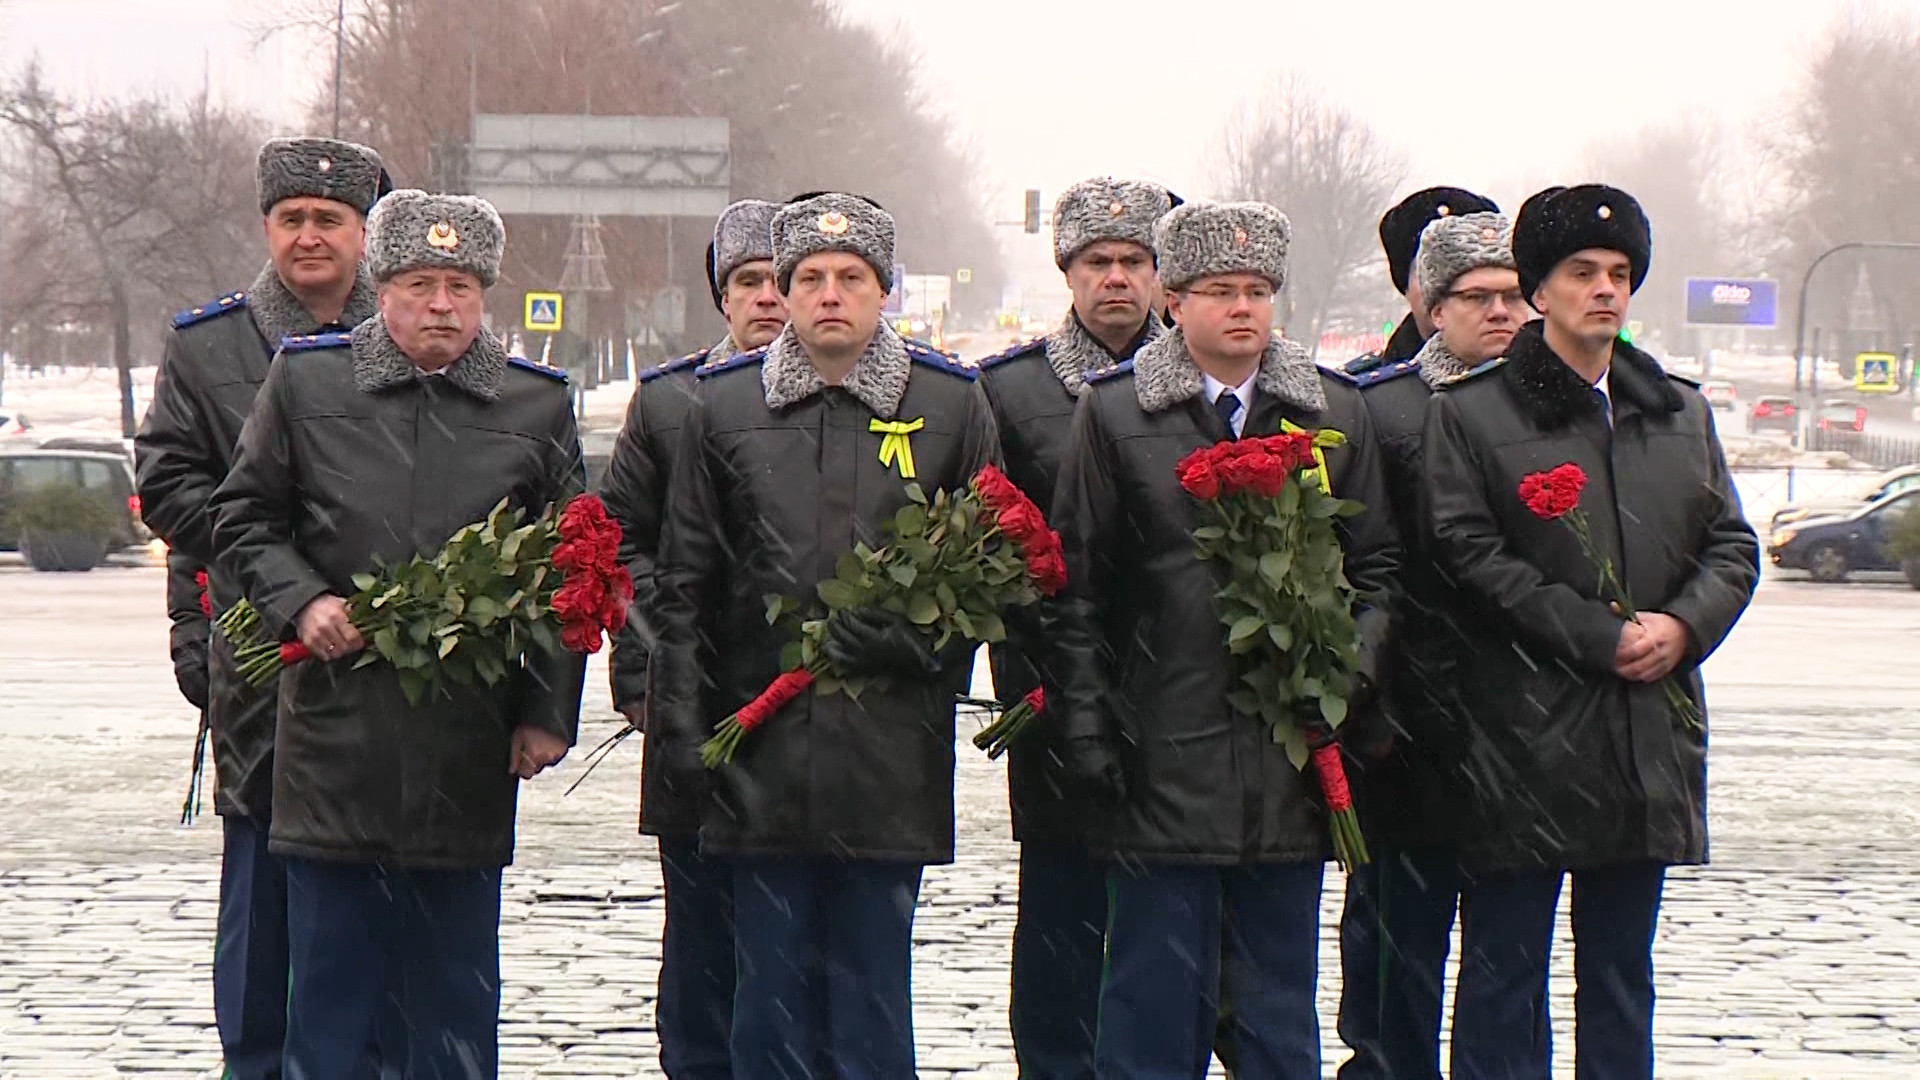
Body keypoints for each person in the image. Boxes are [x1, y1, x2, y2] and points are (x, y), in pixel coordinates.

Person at [209, 190, 588, 1078]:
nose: (441, 306)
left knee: (453, 1002)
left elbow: (570, 572)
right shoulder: (308, 382)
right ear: (382, 289)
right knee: (331, 1004)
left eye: (460, 285)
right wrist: (303, 601)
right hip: (334, 741)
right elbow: (243, 519)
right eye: (420, 283)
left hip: (468, 745)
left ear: (485, 295)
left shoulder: (533, 407)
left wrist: (545, 711)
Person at [1049, 199, 1399, 1079]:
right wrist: (1091, 731)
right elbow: (1079, 587)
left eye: (1257, 291)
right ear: (1174, 301)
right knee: (1151, 1015)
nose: (1241, 309)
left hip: (1291, 767)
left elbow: (1381, 570)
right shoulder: (1117, 414)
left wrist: (1345, 676)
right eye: (1218, 291)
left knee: (1277, 1015)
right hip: (1162, 758)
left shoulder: (1330, 413)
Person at [651, 192, 997, 1077]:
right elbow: (686, 586)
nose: (829, 294)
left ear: (886, 293)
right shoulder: (722, 406)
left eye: (852, 277)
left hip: (889, 755)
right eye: (810, 278)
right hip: (757, 752)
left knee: (872, 998)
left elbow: (990, 567)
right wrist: (685, 736)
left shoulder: (951, 407)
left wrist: (917, 648)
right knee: (766, 997)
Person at [1422, 184, 1759, 1080]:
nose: (1604, 290)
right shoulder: (1473, 414)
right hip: (1521, 738)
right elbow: (1468, 553)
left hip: (1644, 739)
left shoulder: (1678, 412)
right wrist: (1590, 634)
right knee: (1503, 973)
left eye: (1619, 273)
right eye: (1581, 273)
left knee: (1620, 976)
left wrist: (1682, 628)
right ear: (1538, 290)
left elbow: (1730, 543)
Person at [133, 135, 383, 1080]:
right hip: (261, 646)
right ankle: (261, 1058)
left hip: (382, 647)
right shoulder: (208, 347)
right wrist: (281, 558)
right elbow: (168, 487)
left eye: (330, 220)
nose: (310, 236)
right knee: (266, 882)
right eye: (293, 219)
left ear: (365, 233)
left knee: (377, 880)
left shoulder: (401, 333)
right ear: (268, 228)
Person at [972, 176, 1173, 1080]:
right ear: (1067, 270)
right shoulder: (1011, 392)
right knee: (1061, 906)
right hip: (1055, 684)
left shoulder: (1197, 379)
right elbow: (981, 537)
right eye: (1099, 262)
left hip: (1182, 687)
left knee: (1168, 915)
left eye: (1136, 261)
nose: (1119, 280)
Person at [600, 196, 785, 1080]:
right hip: (696, 700)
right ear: (723, 295)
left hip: (814, 719)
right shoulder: (673, 401)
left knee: (800, 936)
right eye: (750, 281)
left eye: (785, 280)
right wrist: (647, 667)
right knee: (703, 924)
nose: (770, 299)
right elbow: (618, 540)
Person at [1338, 210, 1524, 1080]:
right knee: (1393, 942)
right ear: (1430, 306)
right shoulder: (1379, 408)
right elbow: (1359, 557)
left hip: (1524, 716)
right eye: (1477, 297)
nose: (1501, 314)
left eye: (1515, 296)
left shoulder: (1549, 406)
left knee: (1507, 952)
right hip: (1403, 718)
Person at [1347, 187, 1500, 376]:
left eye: (1468, 276)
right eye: (1431, 273)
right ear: (1404, 286)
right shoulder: (1361, 394)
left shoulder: (1539, 386)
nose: (1447, 290)